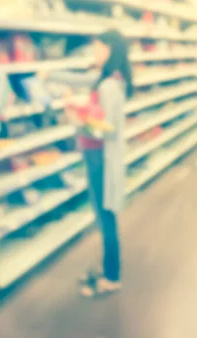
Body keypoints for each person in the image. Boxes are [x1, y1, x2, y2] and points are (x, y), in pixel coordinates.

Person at [41, 29, 132, 298]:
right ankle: (107, 267)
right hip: (97, 156)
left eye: (98, 48)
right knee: (103, 216)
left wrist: (77, 118)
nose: (94, 53)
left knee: (106, 217)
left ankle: (112, 276)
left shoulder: (108, 85)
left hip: (101, 158)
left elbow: (106, 129)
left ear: (110, 50)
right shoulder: (107, 79)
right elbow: (83, 81)